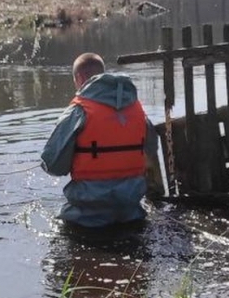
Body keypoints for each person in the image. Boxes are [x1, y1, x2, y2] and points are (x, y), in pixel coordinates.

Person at [41, 53, 161, 228]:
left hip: (86, 217)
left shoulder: (78, 111)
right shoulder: (137, 111)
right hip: (131, 212)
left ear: (79, 78)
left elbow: (53, 165)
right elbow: (151, 149)